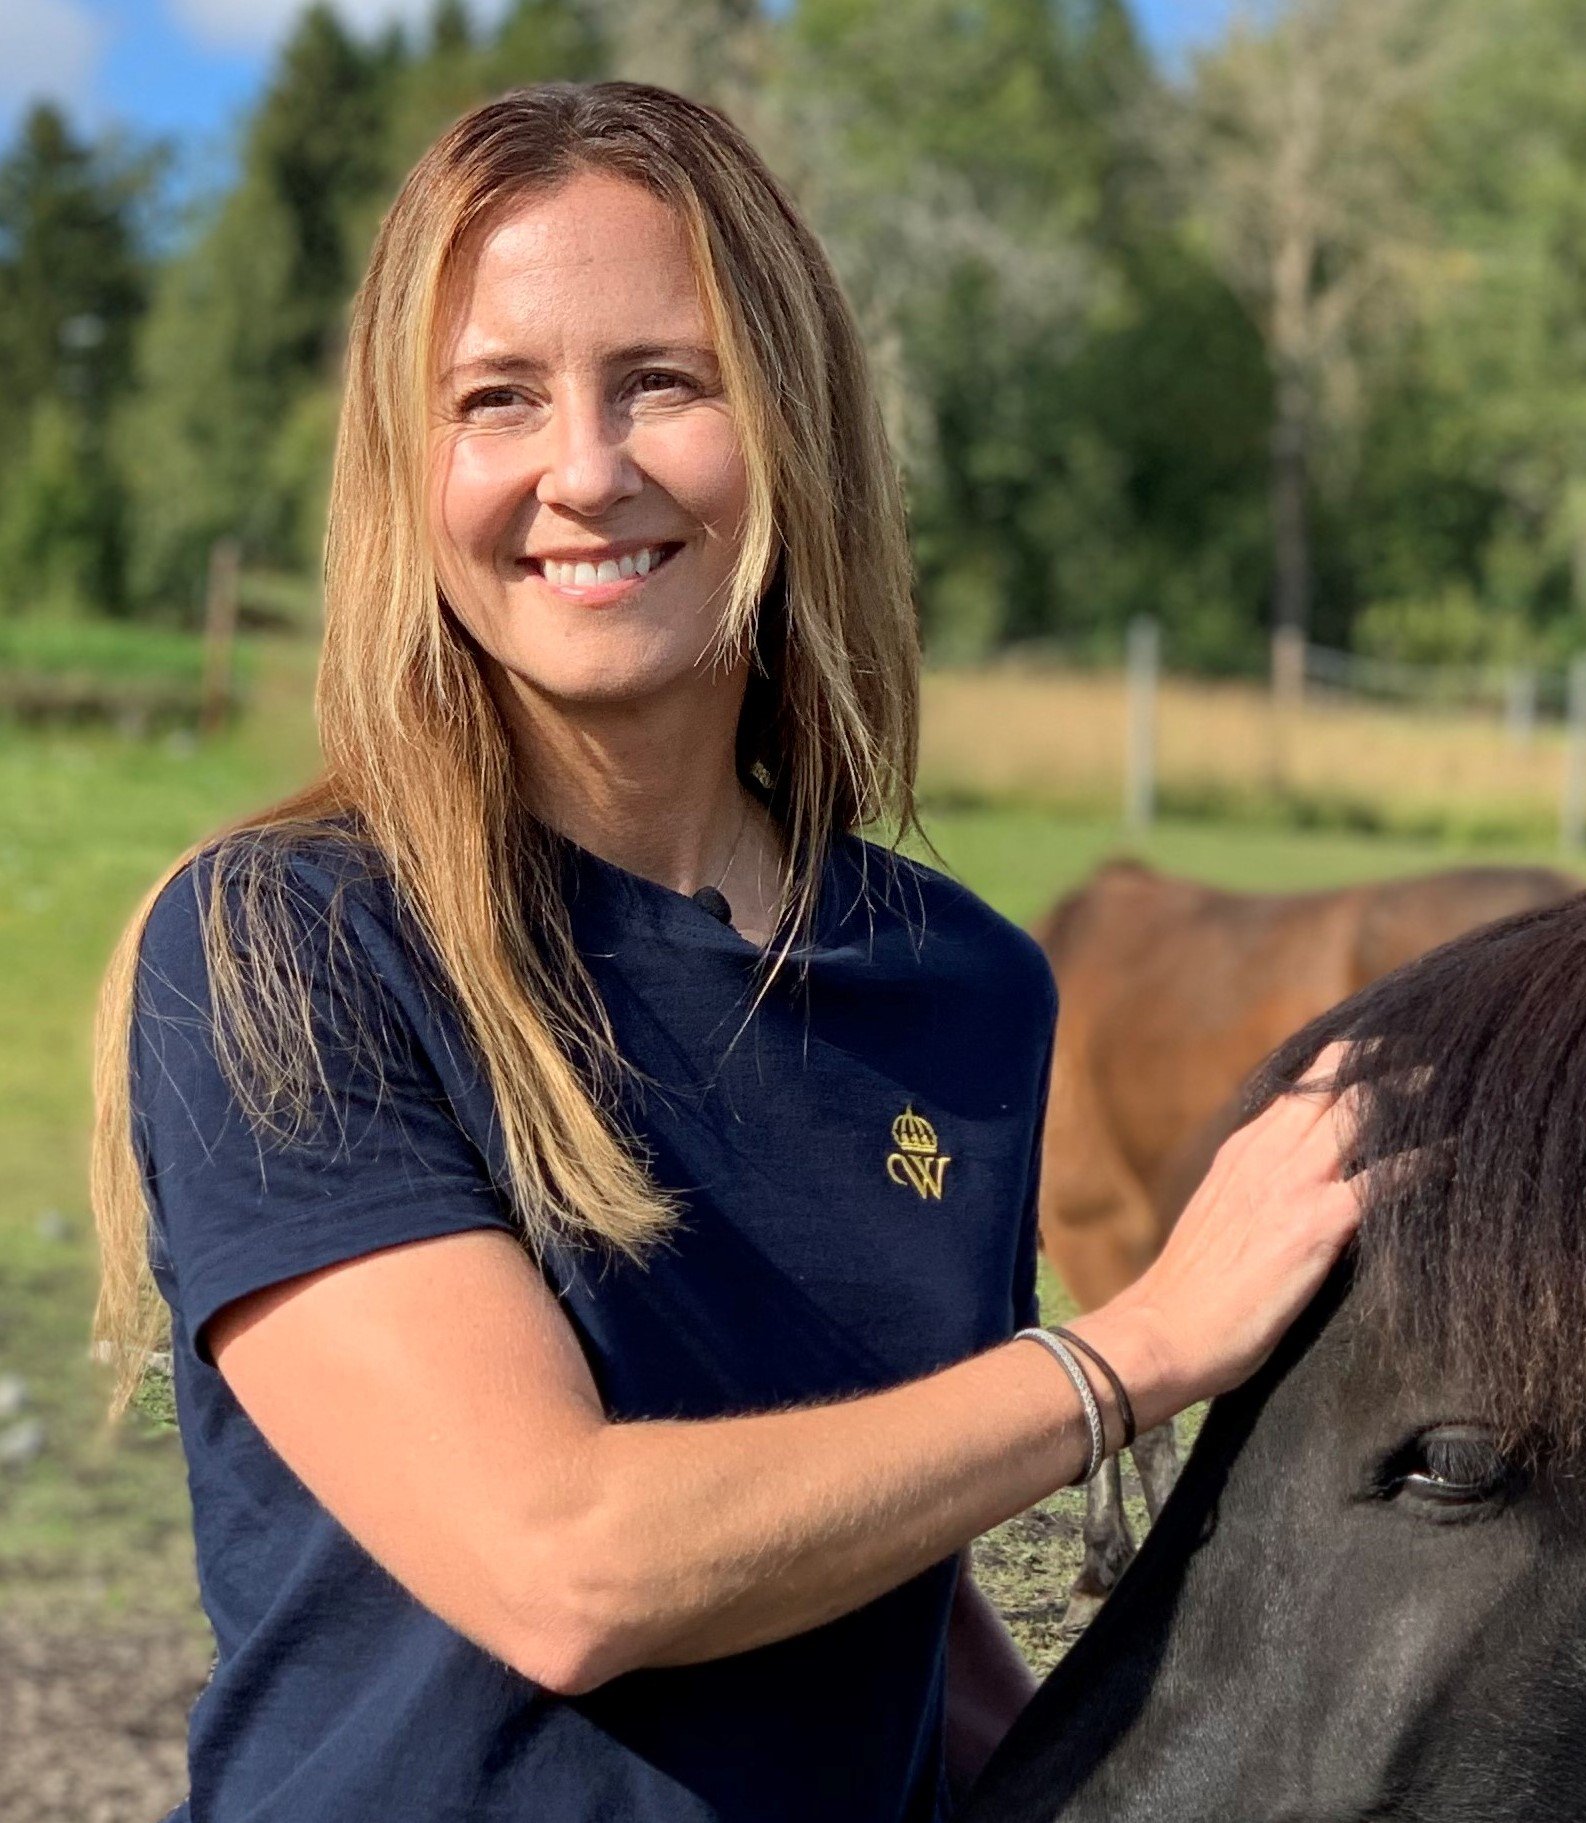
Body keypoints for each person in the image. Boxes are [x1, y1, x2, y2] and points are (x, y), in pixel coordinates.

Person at [87, 82, 1369, 1823]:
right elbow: (565, 1565)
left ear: (792, 424)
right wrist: (1139, 1350)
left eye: (662, 382)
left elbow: (880, 1551)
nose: (585, 469)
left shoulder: (965, 986)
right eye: (497, 400)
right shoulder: (286, 948)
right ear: (409, 469)